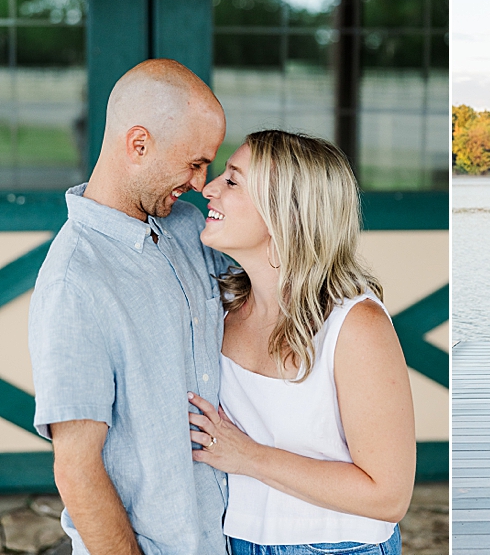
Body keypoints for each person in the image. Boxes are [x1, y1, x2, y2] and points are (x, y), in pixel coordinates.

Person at [28, 59, 230, 553]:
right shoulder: (74, 281)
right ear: (138, 144)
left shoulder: (188, 228)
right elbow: (77, 468)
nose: (202, 182)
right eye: (194, 163)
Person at [186, 130, 416, 554]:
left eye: (232, 181)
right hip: (234, 541)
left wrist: (248, 456)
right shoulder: (220, 306)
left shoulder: (355, 326)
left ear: (285, 213)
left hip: (336, 547)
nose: (208, 189)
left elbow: (389, 496)